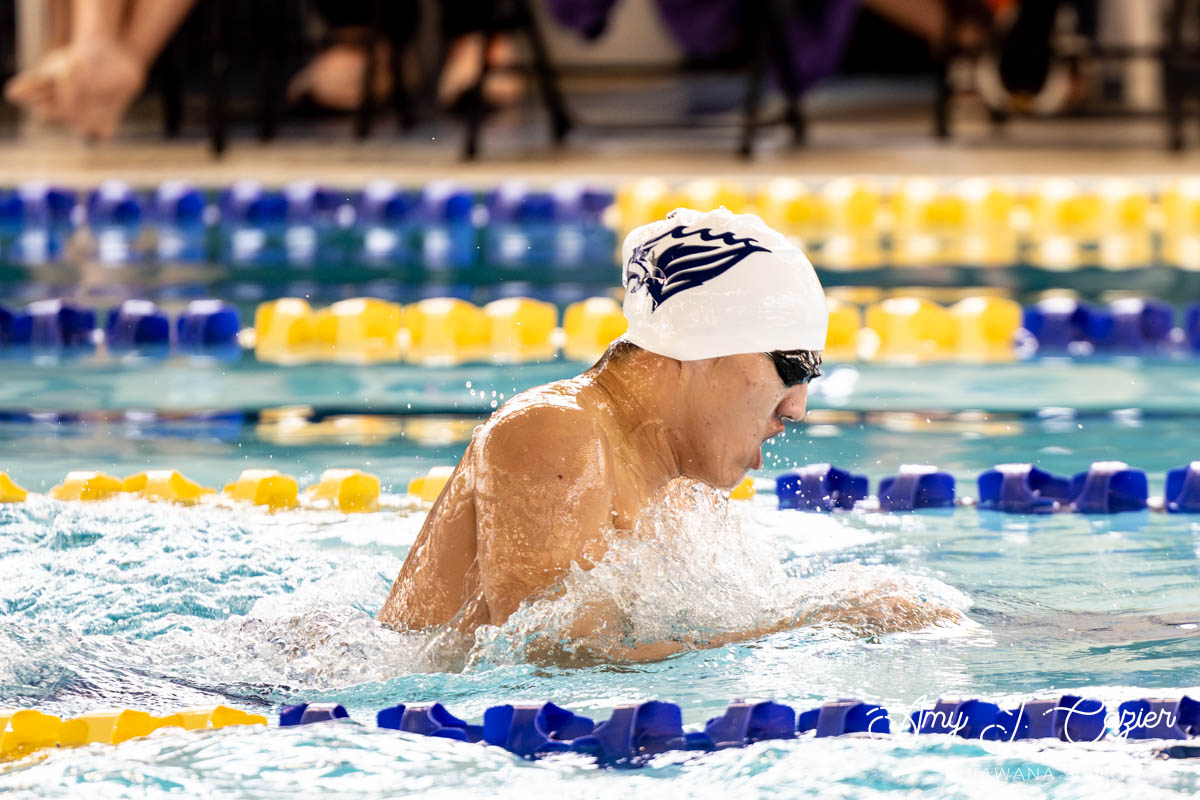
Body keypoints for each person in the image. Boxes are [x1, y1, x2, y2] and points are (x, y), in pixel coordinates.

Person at [379, 207, 957, 661]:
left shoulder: (680, 490)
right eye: (791, 367)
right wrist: (806, 628)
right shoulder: (554, 427)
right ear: (702, 345)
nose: (797, 407)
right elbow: (545, 655)